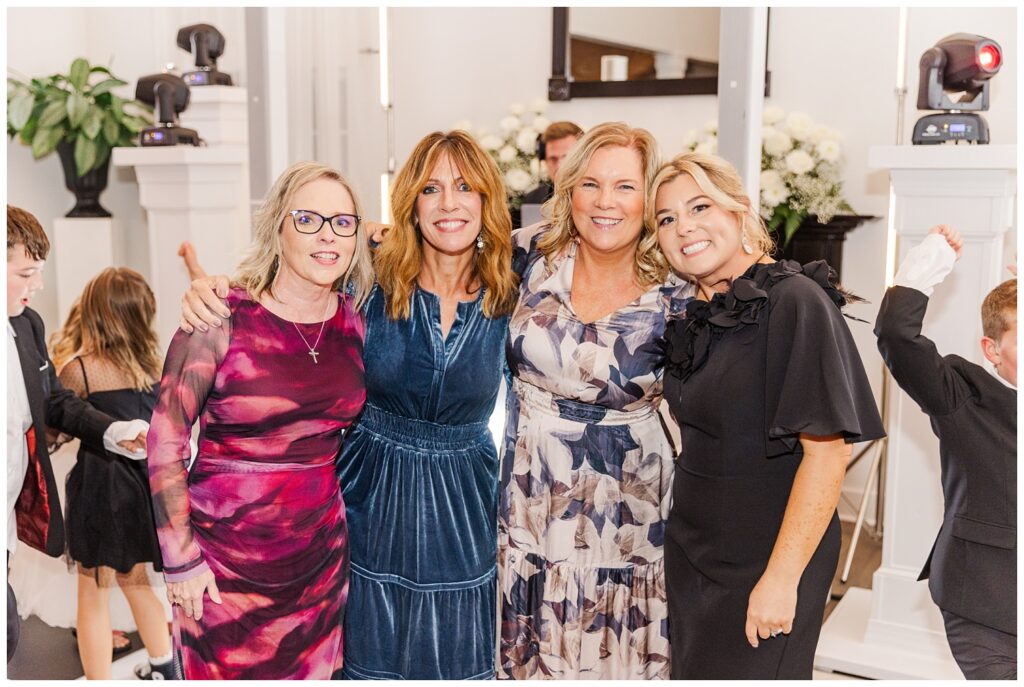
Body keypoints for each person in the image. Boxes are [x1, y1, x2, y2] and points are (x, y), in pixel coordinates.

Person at [179, 132, 518, 680]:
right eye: (431, 188)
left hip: (463, 518)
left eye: (465, 188)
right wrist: (218, 289)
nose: (449, 204)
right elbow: (287, 295)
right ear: (409, 203)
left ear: (487, 200)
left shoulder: (513, 290)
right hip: (363, 512)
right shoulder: (369, 280)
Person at [652, 153, 885, 679]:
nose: (683, 226)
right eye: (666, 219)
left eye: (699, 206)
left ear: (740, 210)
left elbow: (827, 455)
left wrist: (781, 578)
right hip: (696, 552)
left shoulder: (794, 302)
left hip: (767, 559)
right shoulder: (699, 316)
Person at [146, 161, 374, 679]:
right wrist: (180, 559)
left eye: (343, 222)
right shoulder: (220, 317)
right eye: (308, 220)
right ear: (277, 226)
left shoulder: (354, 320)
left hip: (318, 563)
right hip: (222, 565)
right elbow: (164, 443)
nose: (327, 236)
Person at [499, 122, 690, 679]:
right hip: (528, 496)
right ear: (568, 190)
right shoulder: (528, 255)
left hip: (629, 510)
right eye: (590, 183)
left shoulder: (679, 283)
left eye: (626, 186)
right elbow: (432, 261)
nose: (606, 202)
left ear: (651, 196)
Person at [6, 205, 148, 662]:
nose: (38, 285)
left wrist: (112, 430)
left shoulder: (27, 327)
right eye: (26, 272)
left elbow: (53, 403)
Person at [875, 225, 1016, 680]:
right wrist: (928, 264)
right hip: (986, 606)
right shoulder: (965, 396)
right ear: (992, 350)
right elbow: (897, 336)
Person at [50, 269, 175, 680]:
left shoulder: (80, 370)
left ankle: (99, 680)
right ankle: (165, 668)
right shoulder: (156, 367)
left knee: (92, 589)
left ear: (95, 312)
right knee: (137, 580)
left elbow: (57, 432)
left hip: (100, 488)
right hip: (142, 490)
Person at [520, 121, 584, 207]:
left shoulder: (599, 197)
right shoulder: (533, 199)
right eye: (553, 159)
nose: (560, 166)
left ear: (584, 155)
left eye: (567, 157)